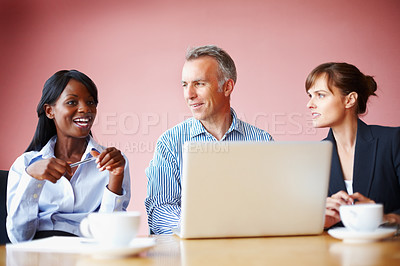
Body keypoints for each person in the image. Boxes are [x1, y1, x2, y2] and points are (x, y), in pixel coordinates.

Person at [145, 45, 273, 234]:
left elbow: (273, 206)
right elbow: (160, 212)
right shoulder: (170, 143)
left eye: (199, 83)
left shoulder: (262, 141)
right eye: (184, 85)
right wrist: (209, 228)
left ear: (227, 87)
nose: (189, 95)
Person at [7, 70, 131, 243]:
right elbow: (19, 237)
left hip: (89, 254)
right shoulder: (25, 165)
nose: (85, 109)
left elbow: (110, 236)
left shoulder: (113, 163)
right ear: (50, 111)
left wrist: (116, 178)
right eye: (72, 102)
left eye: (91, 102)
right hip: (40, 255)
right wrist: (32, 179)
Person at [305, 62, 400, 229]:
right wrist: (319, 221)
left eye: (320, 95)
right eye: (310, 96)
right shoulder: (313, 157)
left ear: (349, 100)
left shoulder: (392, 141)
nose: (310, 104)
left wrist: (383, 217)